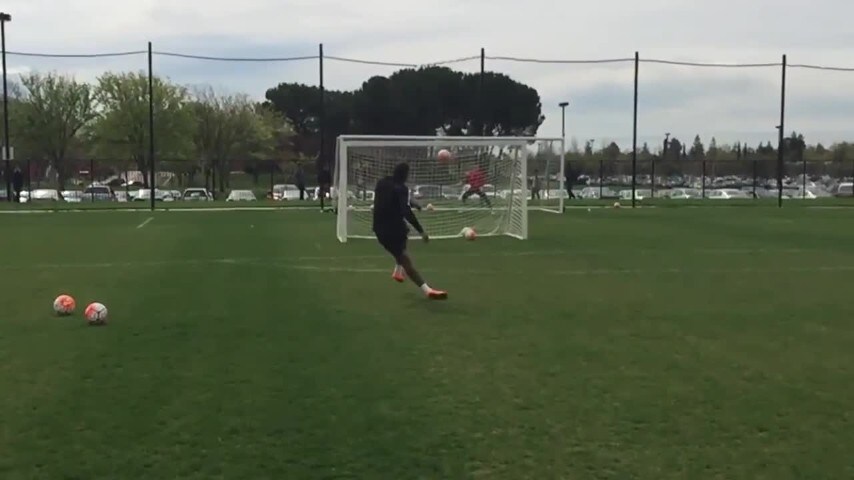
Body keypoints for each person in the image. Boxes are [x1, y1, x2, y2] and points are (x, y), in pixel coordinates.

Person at [373, 162, 447, 300]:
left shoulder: (382, 183)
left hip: (378, 227)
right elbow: (405, 211)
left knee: (403, 237)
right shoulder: (402, 188)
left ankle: (397, 271)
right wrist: (421, 231)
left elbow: (395, 198)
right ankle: (428, 290)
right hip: (391, 229)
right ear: (406, 175)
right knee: (405, 259)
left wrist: (413, 204)